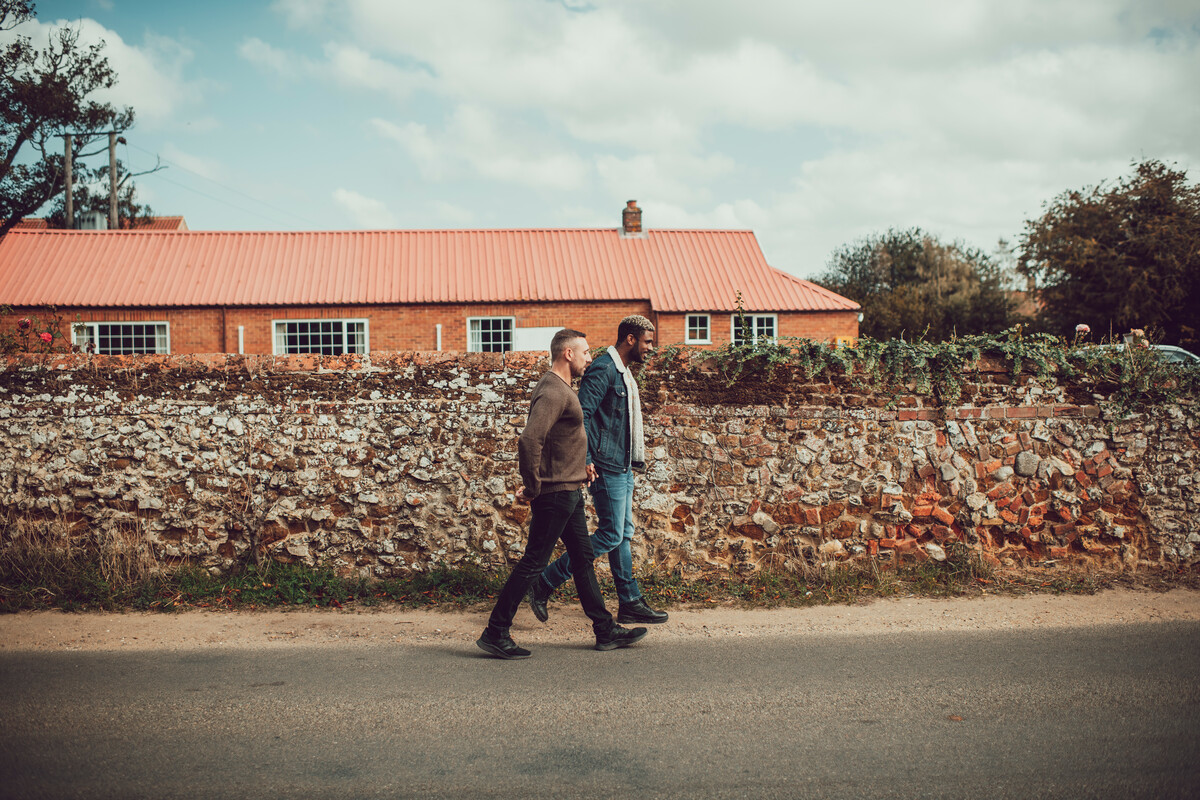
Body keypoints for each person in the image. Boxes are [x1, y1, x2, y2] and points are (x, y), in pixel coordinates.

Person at [477, 328, 648, 659]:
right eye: (584, 352)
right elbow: (530, 440)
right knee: (533, 562)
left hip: (568, 488)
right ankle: (495, 631)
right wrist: (532, 485)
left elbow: (559, 439)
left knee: (583, 558)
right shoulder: (554, 391)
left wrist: (579, 467)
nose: (589, 357)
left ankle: (605, 629)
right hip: (555, 494)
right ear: (567, 353)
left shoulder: (560, 388)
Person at [528, 315, 669, 625]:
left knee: (623, 534)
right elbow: (583, 417)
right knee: (610, 534)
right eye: (647, 341)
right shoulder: (605, 369)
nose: (651, 348)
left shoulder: (624, 372)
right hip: (605, 466)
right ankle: (545, 581)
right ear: (630, 339)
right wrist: (587, 459)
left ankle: (629, 601)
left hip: (623, 465)